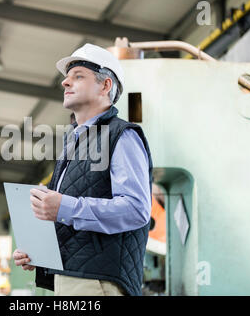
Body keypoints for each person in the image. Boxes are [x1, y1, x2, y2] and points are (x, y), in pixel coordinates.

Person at [13, 43, 153, 296]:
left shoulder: (121, 135)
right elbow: (68, 217)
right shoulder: (73, 143)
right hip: (72, 278)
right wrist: (40, 252)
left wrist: (65, 207)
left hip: (98, 282)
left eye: (78, 76)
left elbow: (136, 209)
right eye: (66, 77)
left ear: (105, 85)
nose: (65, 83)